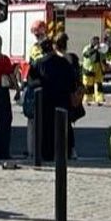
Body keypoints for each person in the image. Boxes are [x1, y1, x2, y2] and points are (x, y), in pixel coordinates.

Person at [31, 33, 79, 162]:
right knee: (63, 126)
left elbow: (31, 81)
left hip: (45, 100)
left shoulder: (39, 63)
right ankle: (65, 152)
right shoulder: (64, 62)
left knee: (46, 128)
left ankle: (46, 153)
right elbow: (72, 81)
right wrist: (73, 94)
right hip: (62, 99)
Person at [81, 35, 107, 105]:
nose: (96, 43)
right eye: (95, 41)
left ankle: (99, 99)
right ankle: (88, 99)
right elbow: (86, 54)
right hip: (88, 70)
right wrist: (95, 49)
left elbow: (103, 58)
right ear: (91, 41)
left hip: (98, 69)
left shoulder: (100, 49)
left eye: (97, 41)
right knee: (88, 86)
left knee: (99, 85)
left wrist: (105, 67)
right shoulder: (87, 48)